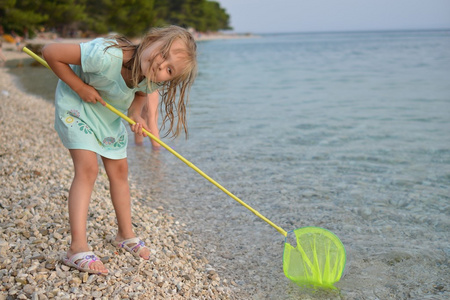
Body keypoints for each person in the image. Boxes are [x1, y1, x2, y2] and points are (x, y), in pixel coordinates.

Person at [42, 25, 197, 274]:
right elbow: (50, 52)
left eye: (170, 69)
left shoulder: (150, 78)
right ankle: (77, 247)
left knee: (120, 172)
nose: (161, 66)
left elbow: (140, 94)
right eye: (163, 54)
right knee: (88, 169)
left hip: (107, 117)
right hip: (77, 107)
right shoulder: (106, 55)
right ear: (152, 40)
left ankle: (125, 234)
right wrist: (80, 87)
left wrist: (135, 116)